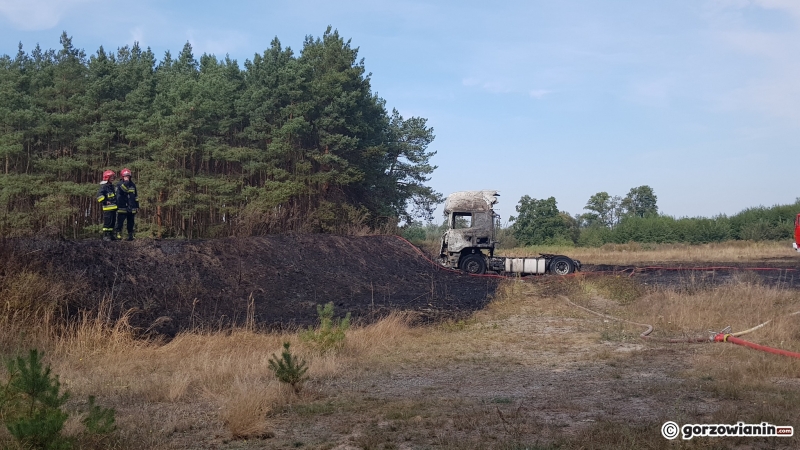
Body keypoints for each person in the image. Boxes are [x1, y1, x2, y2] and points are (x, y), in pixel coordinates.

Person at [114, 167, 139, 241]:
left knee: (131, 222)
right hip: (122, 206)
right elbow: (123, 190)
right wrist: (126, 182)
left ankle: (130, 235)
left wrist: (137, 206)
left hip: (131, 206)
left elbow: (136, 196)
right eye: (125, 176)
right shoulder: (119, 184)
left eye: (128, 176)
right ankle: (118, 233)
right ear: (122, 176)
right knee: (120, 222)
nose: (127, 177)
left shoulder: (132, 184)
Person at [96, 170, 118, 241]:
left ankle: (111, 235)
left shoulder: (111, 187)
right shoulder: (104, 187)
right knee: (107, 223)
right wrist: (105, 201)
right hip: (107, 209)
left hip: (114, 208)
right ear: (107, 177)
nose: (112, 178)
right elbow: (99, 196)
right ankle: (106, 235)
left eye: (113, 177)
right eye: (111, 177)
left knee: (113, 222)